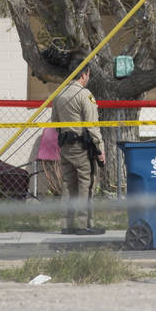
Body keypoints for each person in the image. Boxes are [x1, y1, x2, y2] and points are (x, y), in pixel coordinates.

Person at [53, 64, 106, 235]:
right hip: (82, 148)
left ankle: (66, 224)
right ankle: (85, 225)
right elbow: (92, 126)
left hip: (65, 146)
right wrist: (100, 149)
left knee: (68, 185)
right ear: (84, 75)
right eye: (88, 75)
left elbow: (54, 123)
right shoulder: (85, 95)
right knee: (86, 185)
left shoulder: (59, 94)